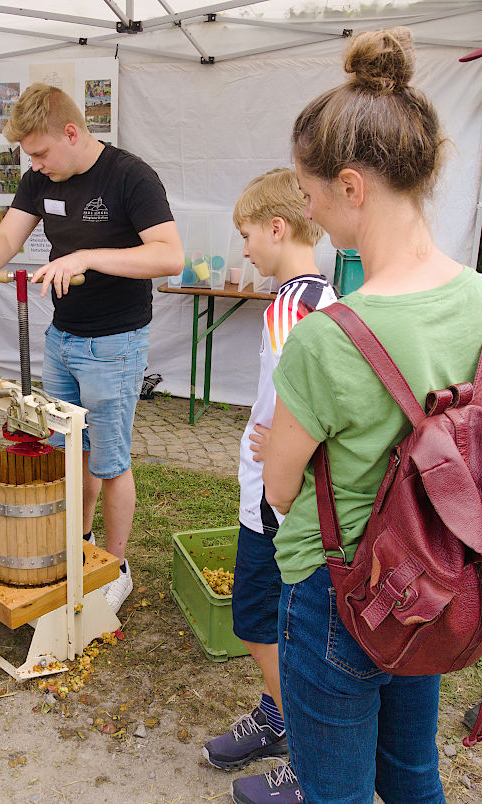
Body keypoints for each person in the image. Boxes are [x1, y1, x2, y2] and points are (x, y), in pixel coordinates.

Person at [262, 27, 476, 803]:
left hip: (342, 591)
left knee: (337, 793)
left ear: (352, 187)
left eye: (310, 191)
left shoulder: (329, 338)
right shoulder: (479, 298)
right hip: (438, 577)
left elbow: (280, 486)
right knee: (415, 770)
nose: (308, 207)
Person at [0, 84, 183, 613]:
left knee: (110, 460)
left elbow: (170, 257)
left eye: (39, 153)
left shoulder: (130, 176)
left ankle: (115, 565)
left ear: (71, 133)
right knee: (63, 450)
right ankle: (70, 545)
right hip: (62, 340)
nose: (34, 165)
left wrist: (88, 257)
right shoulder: (39, 180)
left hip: (116, 344)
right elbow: (6, 238)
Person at [202, 169, 334, 804]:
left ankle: (308, 759)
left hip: (272, 502)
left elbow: (295, 390)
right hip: (288, 497)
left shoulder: (290, 304)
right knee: (283, 622)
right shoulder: (328, 296)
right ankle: (279, 719)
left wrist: (281, 444)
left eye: (247, 234)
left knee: (258, 625)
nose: (245, 249)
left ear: (278, 229)